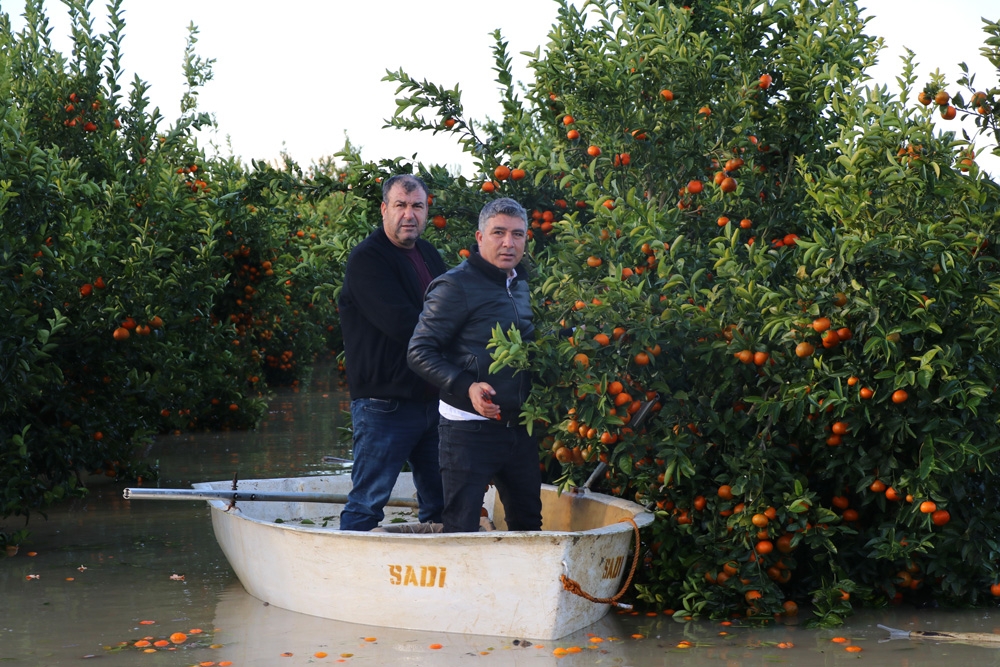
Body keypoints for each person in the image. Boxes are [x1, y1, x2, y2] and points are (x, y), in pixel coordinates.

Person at [407, 197, 542, 533]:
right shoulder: (455, 285)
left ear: (526, 239)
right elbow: (419, 351)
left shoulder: (522, 284)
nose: (508, 243)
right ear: (480, 237)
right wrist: (467, 386)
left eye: (517, 234)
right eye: (498, 233)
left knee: (528, 524)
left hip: (518, 427)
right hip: (468, 428)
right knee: (461, 526)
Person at [337, 174, 446, 531]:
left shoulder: (428, 254)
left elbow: (452, 306)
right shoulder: (368, 260)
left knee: (443, 503)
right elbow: (405, 324)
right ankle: (348, 580)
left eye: (417, 206)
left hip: (433, 402)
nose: (409, 215)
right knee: (368, 503)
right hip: (385, 404)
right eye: (400, 205)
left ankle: (438, 579)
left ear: (427, 211)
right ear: (384, 210)